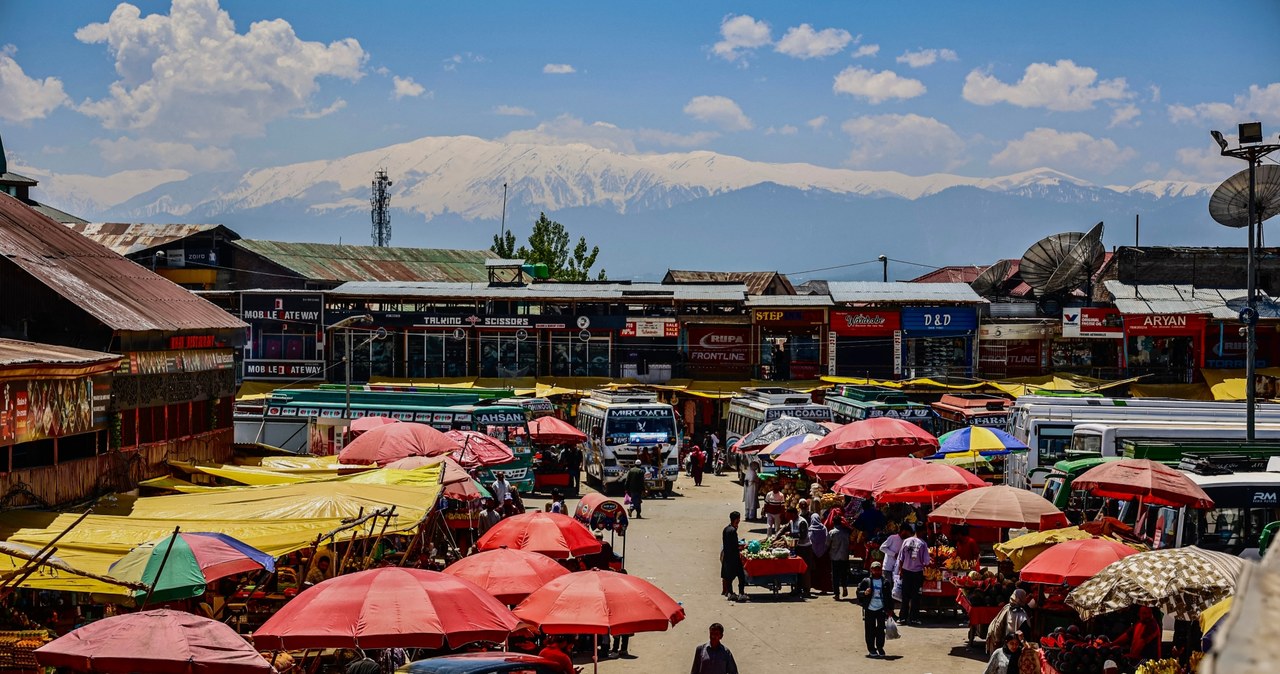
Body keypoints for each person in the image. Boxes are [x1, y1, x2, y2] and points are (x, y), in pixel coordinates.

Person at [857, 561, 896, 658]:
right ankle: (871, 649)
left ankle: (880, 647)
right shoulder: (866, 581)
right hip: (870, 609)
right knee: (869, 630)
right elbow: (858, 593)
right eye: (875, 569)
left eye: (878, 569)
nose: (877, 571)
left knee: (880, 630)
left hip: (881, 609)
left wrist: (890, 609)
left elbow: (889, 597)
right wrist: (864, 593)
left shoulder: (885, 582)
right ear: (871, 570)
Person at [898, 525, 931, 625]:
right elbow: (926, 562)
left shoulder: (906, 541)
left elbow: (901, 558)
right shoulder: (923, 544)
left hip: (906, 571)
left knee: (905, 596)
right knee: (916, 596)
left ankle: (902, 618)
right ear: (921, 531)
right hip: (917, 573)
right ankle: (913, 618)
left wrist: (900, 571)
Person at [986, 589, 1031, 655]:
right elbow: (998, 624)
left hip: (1013, 643)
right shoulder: (1010, 609)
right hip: (1007, 642)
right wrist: (997, 641)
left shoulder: (1018, 609)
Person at [721, 512, 746, 602]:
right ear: (736, 519)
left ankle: (730, 593)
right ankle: (741, 593)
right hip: (734, 558)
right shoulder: (733, 531)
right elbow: (735, 546)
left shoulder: (726, 529)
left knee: (728, 577)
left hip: (727, 557)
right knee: (741, 576)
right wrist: (743, 546)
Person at [789, 501, 813, 597]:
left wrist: (791, 534)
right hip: (797, 547)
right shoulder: (791, 521)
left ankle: (807, 590)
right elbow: (786, 528)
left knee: (805, 569)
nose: (788, 517)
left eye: (789, 515)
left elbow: (802, 535)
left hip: (805, 548)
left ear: (794, 514)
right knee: (797, 569)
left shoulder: (801, 522)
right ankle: (798, 588)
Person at [828, 516, 852, 600]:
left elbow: (827, 544)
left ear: (833, 522)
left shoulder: (832, 532)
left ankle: (837, 594)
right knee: (844, 574)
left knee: (835, 576)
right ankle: (844, 587)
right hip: (844, 556)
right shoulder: (846, 532)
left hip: (834, 557)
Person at [808, 511, 832, 594]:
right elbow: (827, 539)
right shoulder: (824, 528)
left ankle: (813, 586)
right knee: (824, 571)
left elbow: (810, 541)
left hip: (814, 554)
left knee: (814, 571)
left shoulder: (810, 529)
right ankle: (824, 588)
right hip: (824, 553)